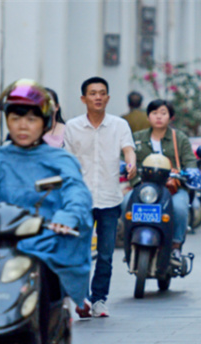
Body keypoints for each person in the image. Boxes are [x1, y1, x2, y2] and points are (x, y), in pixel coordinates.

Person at [0, 79, 93, 344]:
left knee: (44, 282)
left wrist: (66, 219)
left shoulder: (60, 160)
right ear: (6, 120)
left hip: (43, 244)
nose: (22, 125)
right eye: (15, 118)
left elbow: (76, 193)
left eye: (31, 118)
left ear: (45, 123)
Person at [64, 76, 137, 318]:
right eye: (93, 93)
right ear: (83, 98)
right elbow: (67, 161)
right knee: (81, 250)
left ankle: (99, 300)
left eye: (102, 93)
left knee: (105, 253)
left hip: (109, 197)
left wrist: (131, 163)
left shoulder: (119, 125)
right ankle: (82, 297)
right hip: (81, 199)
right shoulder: (72, 127)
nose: (98, 97)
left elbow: (128, 148)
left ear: (107, 97)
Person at [127, 99, 196, 264]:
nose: (159, 117)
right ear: (148, 116)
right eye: (154, 113)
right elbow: (126, 160)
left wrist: (192, 173)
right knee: (124, 204)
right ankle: (130, 244)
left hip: (173, 189)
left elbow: (190, 162)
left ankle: (175, 247)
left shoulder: (179, 138)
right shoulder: (136, 138)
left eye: (163, 113)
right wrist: (134, 180)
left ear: (170, 117)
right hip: (144, 189)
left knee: (179, 208)